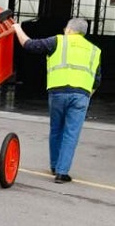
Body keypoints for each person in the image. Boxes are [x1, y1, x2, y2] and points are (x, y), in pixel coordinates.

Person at [13, 18, 101, 184]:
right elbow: (97, 79)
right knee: (71, 134)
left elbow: (29, 45)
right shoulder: (95, 50)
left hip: (58, 93)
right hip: (81, 95)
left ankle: (54, 166)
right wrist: (87, 95)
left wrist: (17, 27)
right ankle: (62, 173)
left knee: (56, 129)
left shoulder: (58, 41)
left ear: (68, 29)